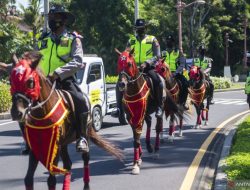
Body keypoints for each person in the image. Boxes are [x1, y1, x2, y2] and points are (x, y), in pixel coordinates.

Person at [37, 5, 89, 153]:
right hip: (44, 83)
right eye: (51, 17)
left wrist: (57, 73)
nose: (52, 20)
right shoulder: (43, 40)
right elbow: (34, 60)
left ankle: (82, 137)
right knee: (24, 102)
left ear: (64, 20)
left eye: (55, 17)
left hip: (64, 81)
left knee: (81, 101)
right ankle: (29, 140)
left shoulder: (73, 39)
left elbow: (78, 61)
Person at [115, 18, 164, 118]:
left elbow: (158, 55)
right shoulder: (131, 40)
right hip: (133, 68)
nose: (139, 30)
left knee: (157, 81)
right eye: (138, 28)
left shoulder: (152, 39)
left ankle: (159, 106)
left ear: (145, 28)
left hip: (148, 67)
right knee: (119, 83)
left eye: (141, 28)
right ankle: (119, 109)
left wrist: (147, 63)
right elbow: (126, 54)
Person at [162, 35, 189, 110]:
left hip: (176, 74)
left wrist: (176, 73)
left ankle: (184, 102)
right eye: (167, 40)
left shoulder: (178, 52)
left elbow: (182, 64)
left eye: (170, 41)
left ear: (173, 42)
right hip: (164, 73)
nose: (168, 42)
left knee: (185, 83)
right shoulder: (163, 53)